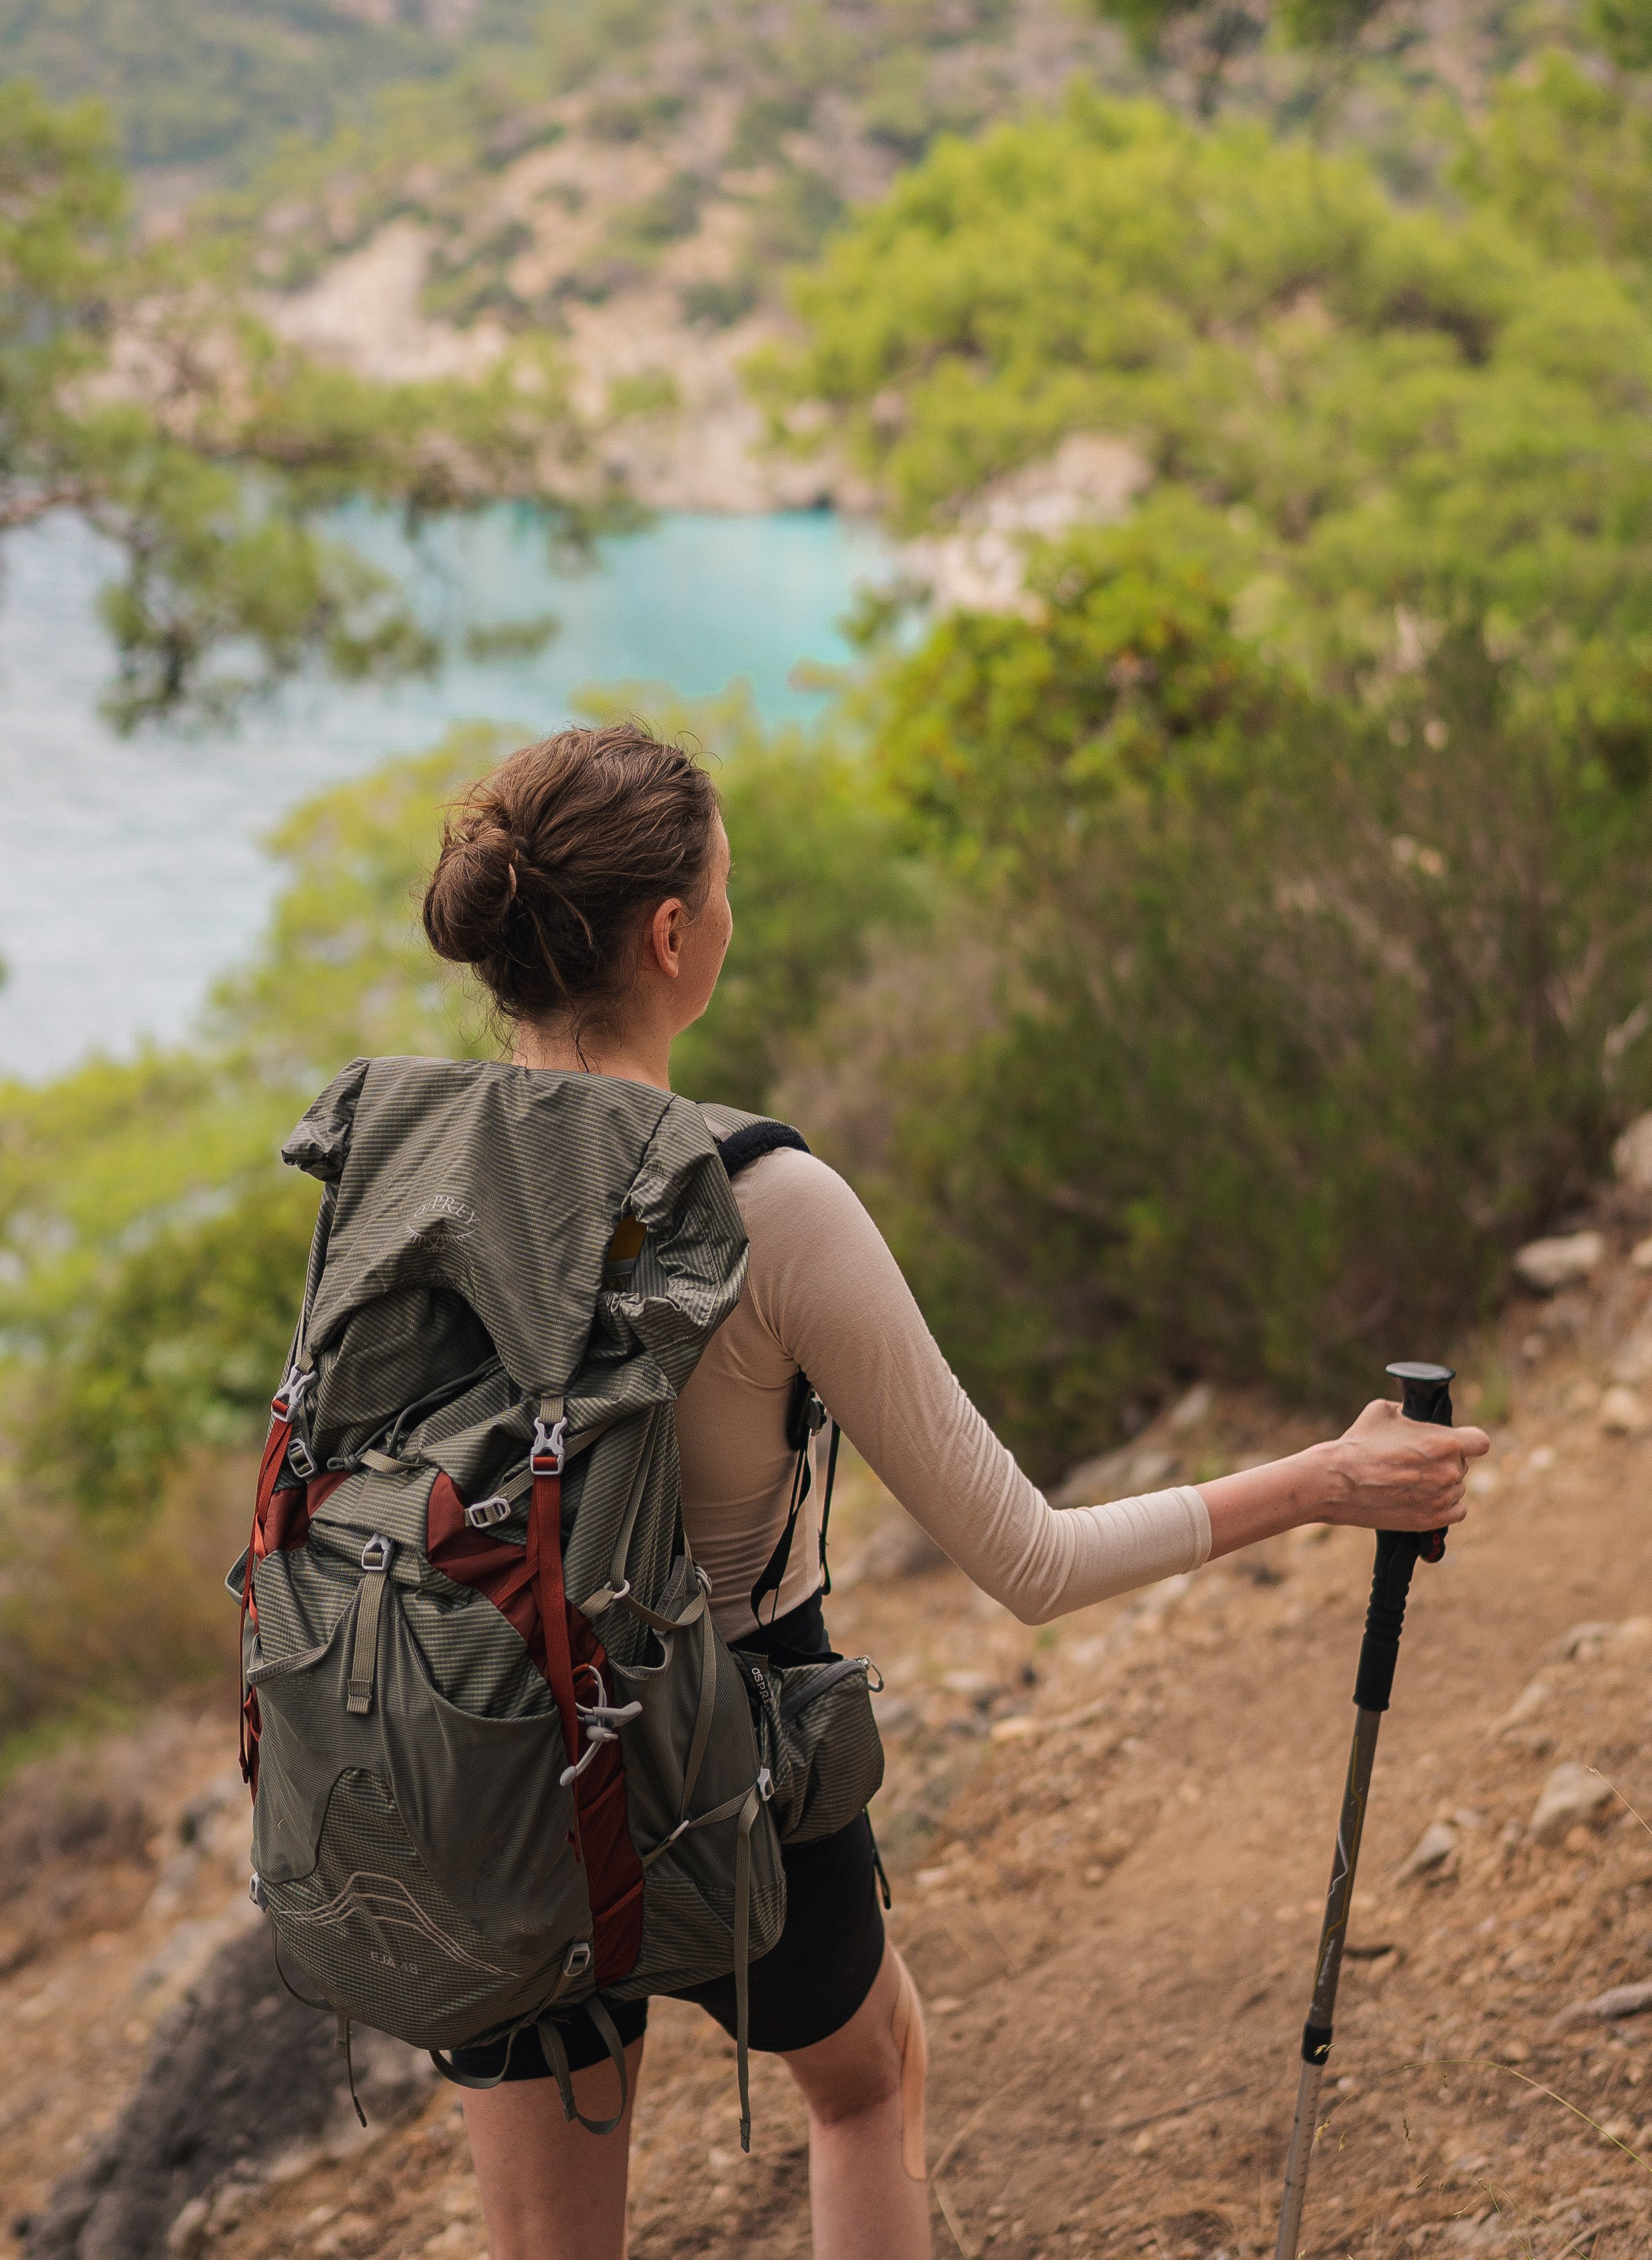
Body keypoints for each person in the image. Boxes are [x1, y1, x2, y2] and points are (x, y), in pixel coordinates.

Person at [418, 722, 1489, 2260]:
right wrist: (1327, 1478)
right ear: (672, 938)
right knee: (862, 2096)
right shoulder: (763, 1205)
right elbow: (1030, 1561)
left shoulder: (412, 1186)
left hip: (478, 1746)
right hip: (724, 1752)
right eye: (726, 889)